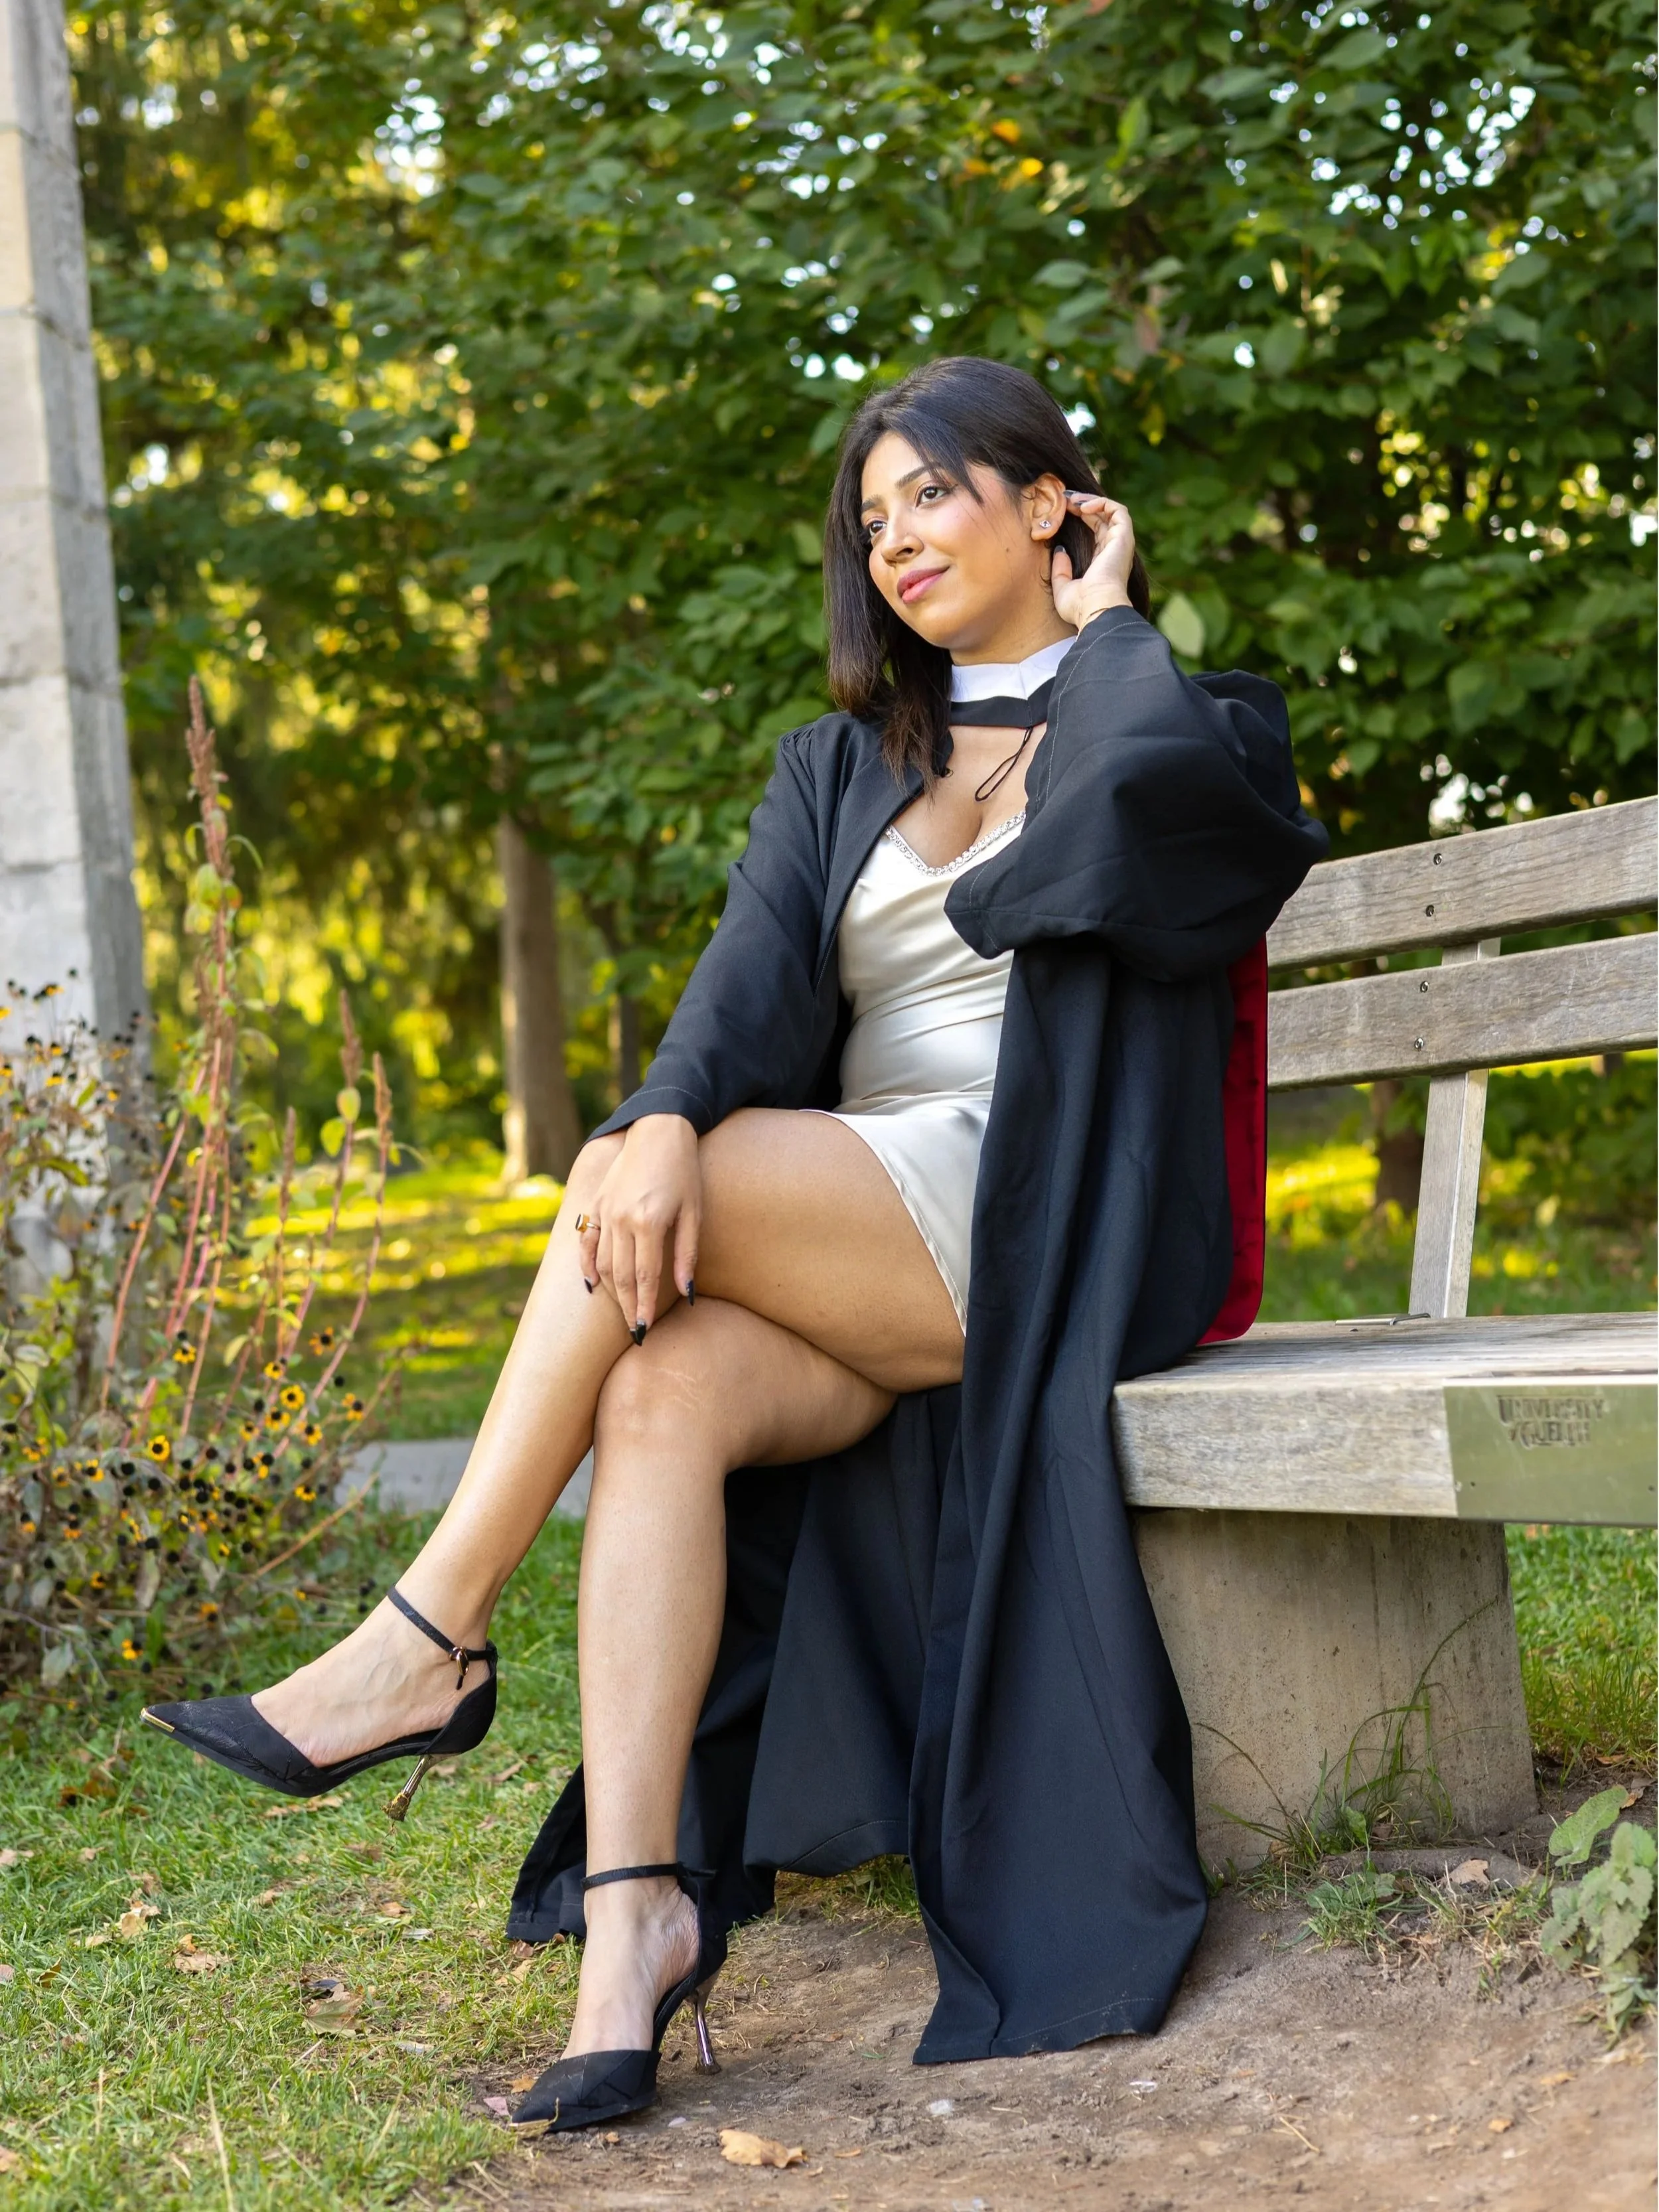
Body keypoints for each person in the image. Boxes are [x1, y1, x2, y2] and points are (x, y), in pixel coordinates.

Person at [142, 356, 1326, 2128]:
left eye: (934, 492)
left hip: (1050, 1209)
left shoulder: (1176, 713)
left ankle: (431, 1634)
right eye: (873, 516)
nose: (897, 537)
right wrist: (659, 1121)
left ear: (1048, 506)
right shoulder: (842, 766)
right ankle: (637, 1922)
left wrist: (1106, 625)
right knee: (663, 1383)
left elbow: (1146, 828)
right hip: (862, 1221)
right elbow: (738, 995)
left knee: (662, 1167)